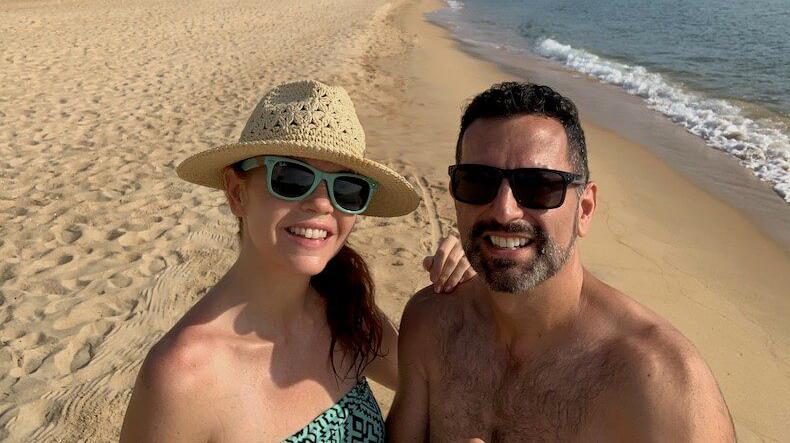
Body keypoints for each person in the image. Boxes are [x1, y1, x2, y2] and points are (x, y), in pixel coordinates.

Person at [119, 80, 474, 442]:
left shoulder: (345, 312)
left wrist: (474, 283)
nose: (322, 203)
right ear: (237, 192)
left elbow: (437, 387)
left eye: (346, 188)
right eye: (292, 177)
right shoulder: (181, 376)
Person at [387, 81, 736, 442]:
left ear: (584, 209)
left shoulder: (661, 385)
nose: (505, 211)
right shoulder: (431, 324)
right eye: (478, 182)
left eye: (539, 186)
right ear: (457, 197)